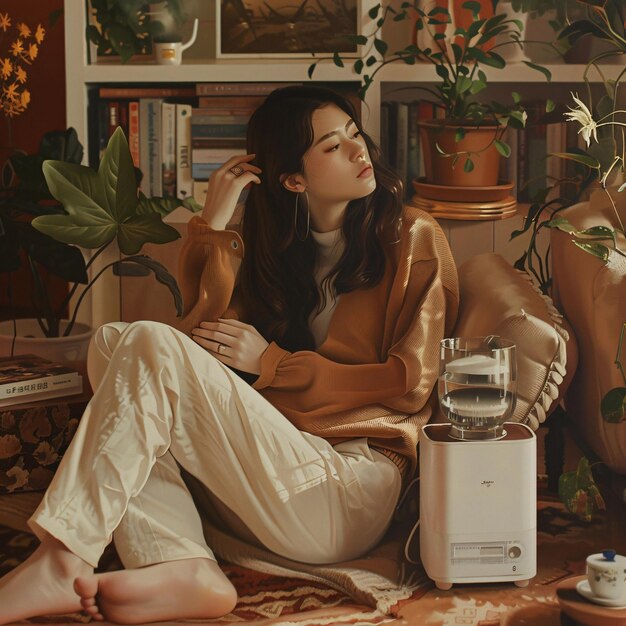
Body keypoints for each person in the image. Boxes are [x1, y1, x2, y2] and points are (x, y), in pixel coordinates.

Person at [0, 85, 458, 624]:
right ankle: (181, 564)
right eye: (334, 147)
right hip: (272, 476)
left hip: (350, 484)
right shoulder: (276, 248)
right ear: (293, 179)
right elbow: (191, 347)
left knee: (142, 343)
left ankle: (62, 555)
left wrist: (274, 363)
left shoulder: (410, 235)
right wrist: (212, 226)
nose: (360, 152)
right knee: (114, 345)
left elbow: (413, 381)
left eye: (355, 136)